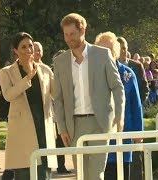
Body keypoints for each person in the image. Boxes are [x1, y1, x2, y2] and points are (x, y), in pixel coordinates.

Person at [53, 13, 125, 180]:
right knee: (81, 176)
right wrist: (61, 127)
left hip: (99, 123)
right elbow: (58, 98)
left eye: (73, 34)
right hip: (74, 126)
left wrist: (119, 116)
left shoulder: (103, 55)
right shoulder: (60, 62)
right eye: (66, 34)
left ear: (82, 30)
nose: (69, 39)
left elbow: (117, 87)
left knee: (96, 175)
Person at [0, 32, 57, 180]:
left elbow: (57, 94)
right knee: (24, 173)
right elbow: (8, 95)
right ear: (16, 51)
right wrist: (27, 78)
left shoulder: (44, 70)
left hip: (43, 127)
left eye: (30, 46)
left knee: (44, 172)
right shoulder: (7, 72)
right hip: (22, 131)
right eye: (23, 47)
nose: (28, 50)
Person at [95, 31, 144, 180]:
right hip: (99, 138)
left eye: (109, 50)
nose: (105, 54)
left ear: (116, 51)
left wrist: (138, 133)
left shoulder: (127, 74)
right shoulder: (92, 74)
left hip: (123, 135)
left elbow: (136, 105)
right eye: (101, 50)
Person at [117, 37, 148, 180]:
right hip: (118, 121)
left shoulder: (136, 66)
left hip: (132, 115)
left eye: (125, 48)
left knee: (136, 157)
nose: (123, 51)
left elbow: (144, 89)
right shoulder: (108, 67)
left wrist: (135, 104)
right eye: (120, 48)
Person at [51, 49, 72, 174]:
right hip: (56, 114)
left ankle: (61, 165)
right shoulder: (54, 74)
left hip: (67, 112)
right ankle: (60, 166)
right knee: (59, 141)